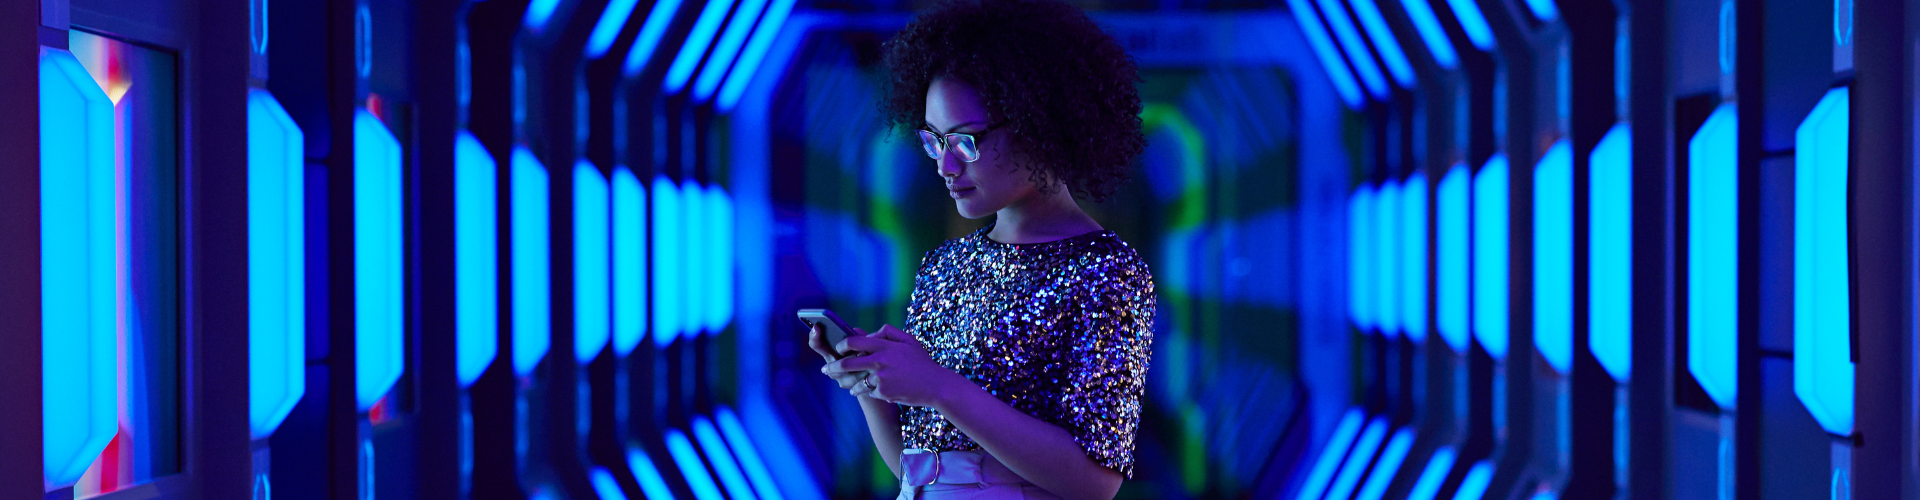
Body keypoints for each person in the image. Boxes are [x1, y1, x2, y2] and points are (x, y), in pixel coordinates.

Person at [807, 0, 1155, 498]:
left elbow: (1095, 483)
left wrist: (938, 386)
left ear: (1040, 125)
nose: (945, 165)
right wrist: (872, 388)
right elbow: (916, 469)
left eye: (965, 141)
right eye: (933, 141)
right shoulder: (944, 266)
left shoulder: (1109, 272)